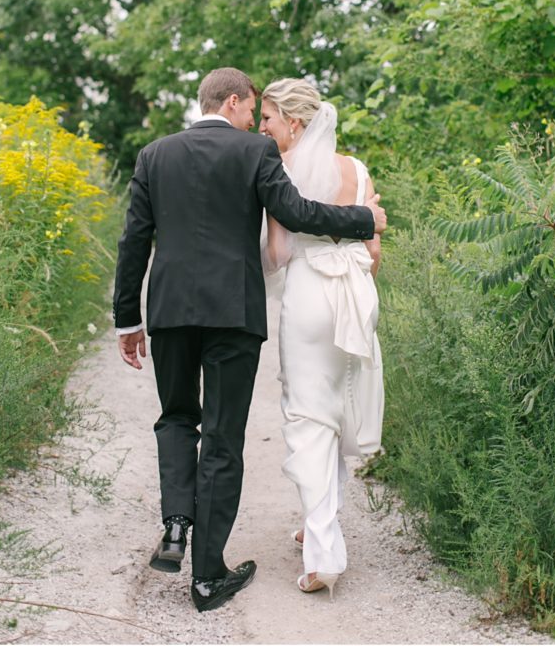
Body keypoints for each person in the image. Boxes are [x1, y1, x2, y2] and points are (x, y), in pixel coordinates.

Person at [113, 67, 386, 613]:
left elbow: (134, 242)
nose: (255, 123)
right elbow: (297, 214)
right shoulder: (253, 155)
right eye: (251, 110)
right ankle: (208, 576)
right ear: (233, 101)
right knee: (221, 436)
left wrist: (128, 321)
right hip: (233, 313)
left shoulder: (153, 156)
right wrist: (364, 217)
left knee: (174, 418)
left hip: (169, 312)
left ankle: (174, 525)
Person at [259, 78, 384, 599]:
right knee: (334, 409)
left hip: (311, 292)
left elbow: (279, 255)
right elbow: (375, 254)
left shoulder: (281, 173)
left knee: (308, 419)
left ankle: (325, 555)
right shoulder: (356, 170)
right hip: (355, 293)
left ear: (293, 122)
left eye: (268, 118)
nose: (263, 127)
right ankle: (319, 522)